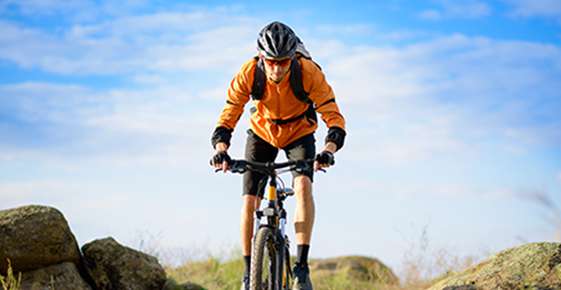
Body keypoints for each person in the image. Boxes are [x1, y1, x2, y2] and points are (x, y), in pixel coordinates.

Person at [210, 21, 346, 290]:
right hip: (262, 133)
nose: (276, 68)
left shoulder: (308, 72)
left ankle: (301, 269)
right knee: (250, 201)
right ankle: (249, 273)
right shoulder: (250, 72)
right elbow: (231, 111)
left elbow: (334, 117)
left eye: (283, 62)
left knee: (303, 186)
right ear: (262, 57)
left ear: (293, 57)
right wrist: (221, 150)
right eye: (271, 62)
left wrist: (328, 151)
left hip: (299, 132)